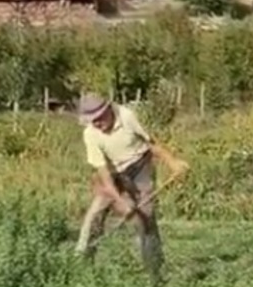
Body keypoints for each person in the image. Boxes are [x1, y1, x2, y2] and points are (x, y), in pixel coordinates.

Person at [74, 92, 187, 277]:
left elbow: (151, 143)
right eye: (92, 121)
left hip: (140, 166)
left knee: (145, 218)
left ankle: (154, 274)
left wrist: (172, 162)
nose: (97, 124)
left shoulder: (126, 116)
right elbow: (103, 173)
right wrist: (120, 201)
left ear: (108, 110)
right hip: (112, 173)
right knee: (94, 215)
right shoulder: (90, 134)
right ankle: (81, 267)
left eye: (99, 119)